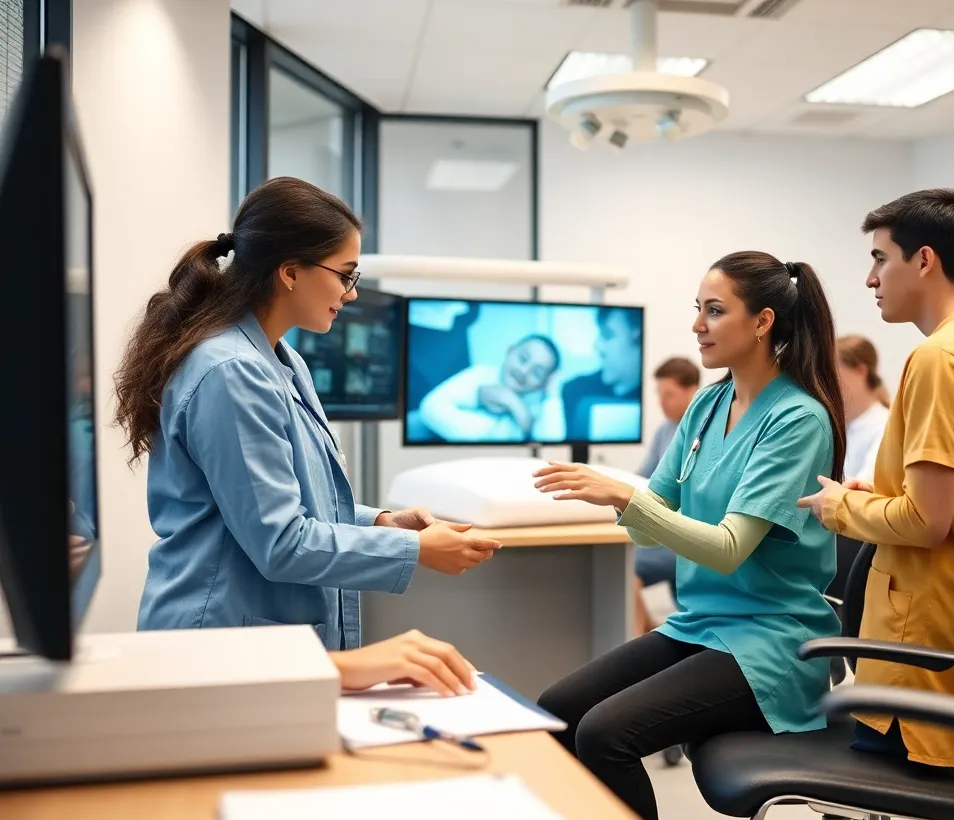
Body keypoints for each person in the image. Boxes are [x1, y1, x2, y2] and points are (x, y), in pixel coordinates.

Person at [115, 177, 501, 659]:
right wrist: (417, 552)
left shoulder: (283, 361)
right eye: (346, 275)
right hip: (213, 637)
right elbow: (280, 540)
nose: (352, 293)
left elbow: (291, 502)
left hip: (253, 632)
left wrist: (383, 522)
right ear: (291, 272)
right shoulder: (232, 371)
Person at [530, 251, 847, 820]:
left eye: (715, 310)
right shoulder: (707, 403)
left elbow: (727, 547)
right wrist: (620, 500)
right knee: (555, 713)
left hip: (771, 642)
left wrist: (624, 497)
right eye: (697, 310)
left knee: (606, 734)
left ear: (762, 322)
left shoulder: (799, 419)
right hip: (702, 624)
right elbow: (658, 505)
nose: (697, 325)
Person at [802, 188, 954, 769]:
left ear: (923, 260)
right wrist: (870, 496)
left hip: (916, 665)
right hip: (948, 638)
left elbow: (927, 522)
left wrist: (840, 509)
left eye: (880, 258)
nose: (870, 278)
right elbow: (947, 498)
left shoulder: (940, 360)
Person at [634, 357, 700, 635]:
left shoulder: (701, 431)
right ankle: (644, 630)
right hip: (662, 528)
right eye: (659, 394)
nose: (662, 402)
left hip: (684, 534)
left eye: (669, 394)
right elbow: (642, 478)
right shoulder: (664, 430)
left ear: (692, 390)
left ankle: (633, 637)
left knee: (627, 566)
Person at [419, 333, 564, 442]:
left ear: (544, 383)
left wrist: (552, 397)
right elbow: (429, 408)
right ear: (510, 350)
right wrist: (478, 398)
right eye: (523, 358)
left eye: (537, 373)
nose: (524, 371)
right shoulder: (481, 374)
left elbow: (553, 442)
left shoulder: (537, 403)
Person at [561, 307, 643, 440]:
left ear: (637, 335)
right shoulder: (575, 390)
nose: (598, 346)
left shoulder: (652, 395)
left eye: (608, 335)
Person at [836, 334, 890, 483]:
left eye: (834, 370)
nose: (827, 379)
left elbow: (864, 487)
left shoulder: (885, 426)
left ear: (861, 371)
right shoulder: (840, 427)